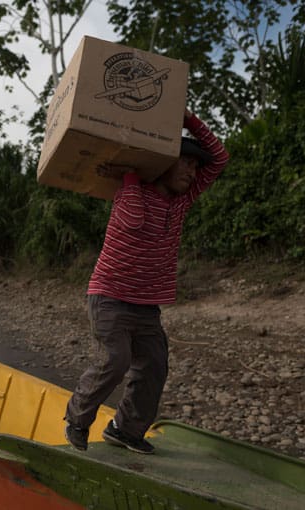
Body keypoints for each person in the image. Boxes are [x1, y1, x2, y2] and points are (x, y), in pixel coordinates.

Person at [64, 108, 230, 454]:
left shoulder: (182, 200)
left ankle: (126, 430)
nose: (191, 171)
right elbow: (135, 221)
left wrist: (185, 119)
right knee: (116, 359)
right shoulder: (131, 192)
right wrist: (130, 177)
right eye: (185, 162)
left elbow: (219, 158)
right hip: (109, 297)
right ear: (162, 164)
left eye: (194, 167)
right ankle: (78, 418)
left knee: (154, 365)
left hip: (146, 306)